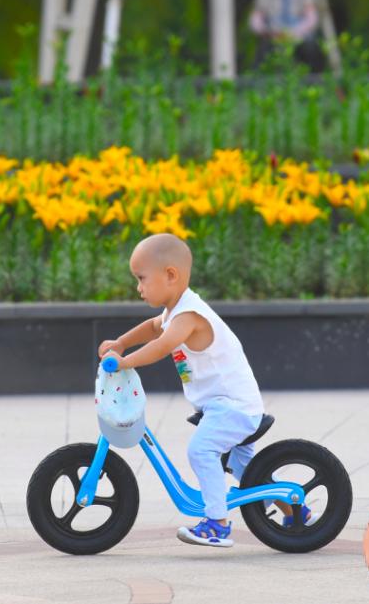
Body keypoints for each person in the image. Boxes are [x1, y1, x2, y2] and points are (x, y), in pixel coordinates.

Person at [98, 234, 315, 548]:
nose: (138, 287)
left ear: (170, 275)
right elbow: (153, 328)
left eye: (142, 279)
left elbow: (162, 345)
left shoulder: (189, 316)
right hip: (225, 405)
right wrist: (121, 343)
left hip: (232, 407)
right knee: (246, 470)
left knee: (201, 451)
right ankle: (297, 512)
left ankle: (217, 523)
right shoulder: (173, 312)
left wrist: (125, 362)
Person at [248, 0, 326, 73]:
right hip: (273, 35)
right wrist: (265, 31)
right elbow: (256, 18)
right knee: (263, 54)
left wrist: (293, 33)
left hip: (300, 34)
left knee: (311, 48)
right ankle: (259, 79)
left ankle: (314, 78)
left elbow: (311, 18)